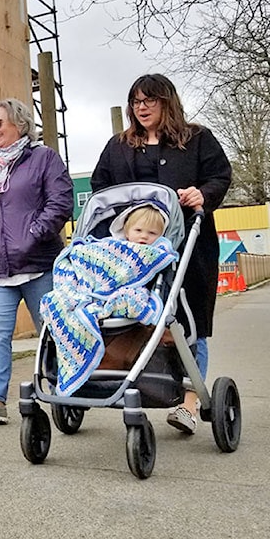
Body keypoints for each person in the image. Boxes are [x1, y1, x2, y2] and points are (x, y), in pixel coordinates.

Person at [91, 74, 232, 434]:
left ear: (167, 102)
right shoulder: (118, 145)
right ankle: (128, 381)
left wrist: (203, 194)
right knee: (132, 316)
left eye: (149, 100)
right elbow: (100, 188)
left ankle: (188, 403)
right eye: (136, 101)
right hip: (131, 251)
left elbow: (220, 176)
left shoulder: (197, 139)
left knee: (190, 321)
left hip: (188, 247)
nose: (141, 107)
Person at [0, 98, 73, 424]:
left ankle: (62, 393)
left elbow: (61, 201)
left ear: (20, 124)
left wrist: (32, 235)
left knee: (51, 332)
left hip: (39, 264)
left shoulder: (43, 159)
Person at [41, 203, 178, 396]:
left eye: (152, 233)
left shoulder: (158, 251)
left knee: (130, 299)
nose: (144, 237)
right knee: (55, 301)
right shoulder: (111, 246)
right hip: (87, 292)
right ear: (126, 231)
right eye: (138, 230)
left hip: (130, 293)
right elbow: (89, 259)